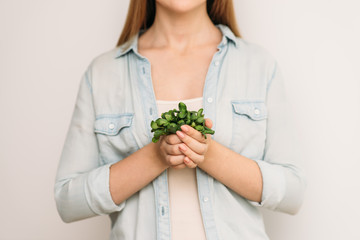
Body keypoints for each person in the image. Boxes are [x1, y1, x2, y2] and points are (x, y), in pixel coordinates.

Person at [54, 0, 306, 239]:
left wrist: (208, 154)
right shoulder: (102, 73)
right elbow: (68, 200)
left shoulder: (259, 65)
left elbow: (293, 193)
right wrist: (155, 157)